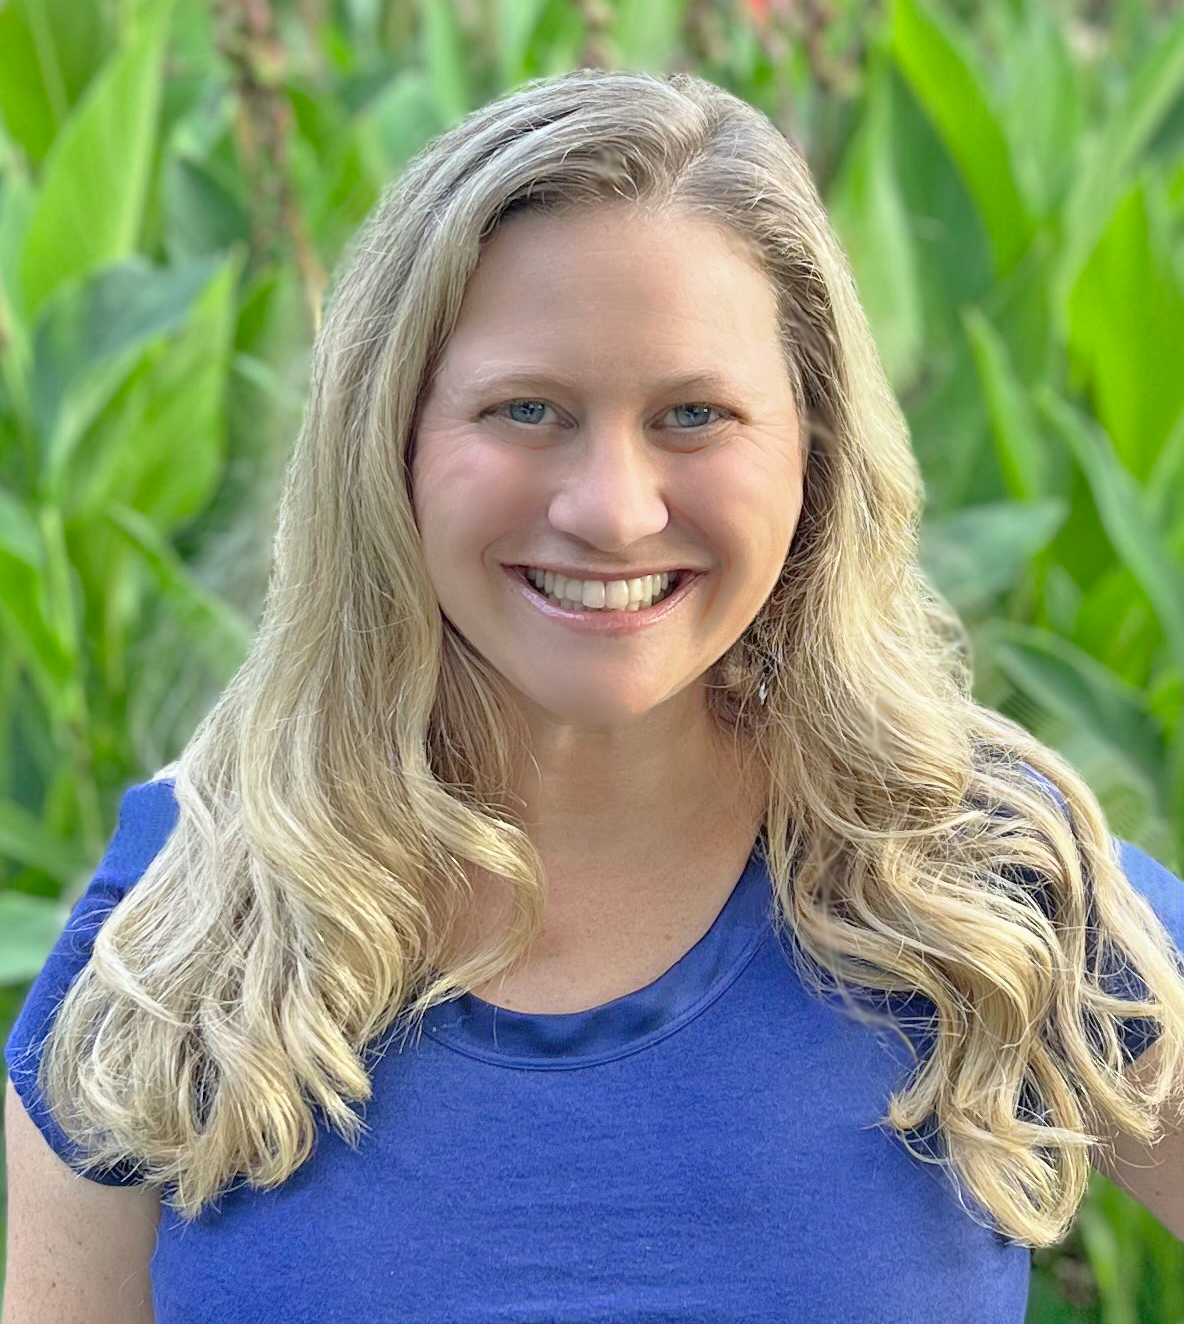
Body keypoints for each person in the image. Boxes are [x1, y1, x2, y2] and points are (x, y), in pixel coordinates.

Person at [4, 67, 1184, 1324]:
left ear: (814, 455)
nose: (611, 509)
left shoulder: (990, 893)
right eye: (525, 409)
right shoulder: (184, 934)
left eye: (692, 413)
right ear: (385, 443)